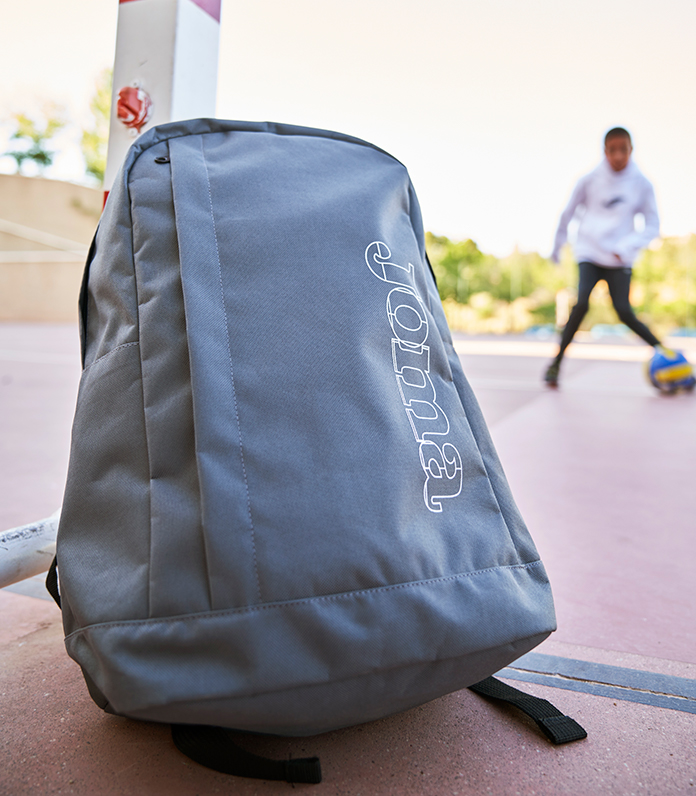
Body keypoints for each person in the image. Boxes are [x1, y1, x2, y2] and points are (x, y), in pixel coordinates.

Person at [545, 127, 662, 387]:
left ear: (631, 150)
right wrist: (557, 247)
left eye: (624, 150)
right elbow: (568, 213)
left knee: (623, 311)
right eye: (613, 150)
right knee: (581, 303)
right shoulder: (589, 180)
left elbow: (653, 224)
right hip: (589, 250)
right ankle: (555, 363)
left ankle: (665, 353)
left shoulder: (642, 184)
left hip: (620, 257)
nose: (618, 155)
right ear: (605, 151)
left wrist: (629, 244)